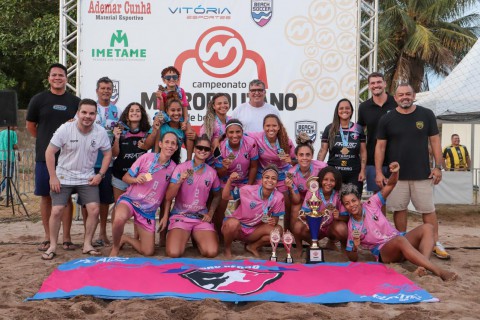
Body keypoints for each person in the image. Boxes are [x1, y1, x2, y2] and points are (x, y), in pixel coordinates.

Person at [341, 162, 457, 281]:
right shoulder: (352, 226)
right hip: (384, 251)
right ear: (344, 207)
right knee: (400, 240)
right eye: (347, 203)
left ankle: (423, 266)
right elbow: (353, 258)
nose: (351, 205)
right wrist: (355, 246)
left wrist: (395, 172)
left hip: (399, 240)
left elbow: (390, 185)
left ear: (359, 200)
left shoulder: (372, 203)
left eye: (353, 201)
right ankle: (439, 271)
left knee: (428, 227)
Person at [375, 83, 450, 259]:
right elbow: (380, 147)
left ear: (414, 95)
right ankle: (404, 241)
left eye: (408, 94)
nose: (404, 97)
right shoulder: (387, 119)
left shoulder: (426, 114)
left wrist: (438, 167)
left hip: (422, 173)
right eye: (401, 95)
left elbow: (435, 142)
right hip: (396, 176)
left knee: (428, 210)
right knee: (399, 209)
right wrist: (379, 172)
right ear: (395, 98)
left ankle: (435, 242)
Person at [41, 99, 112, 260]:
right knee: (57, 210)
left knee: (94, 209)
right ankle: (53, 245)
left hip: (87, 177)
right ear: (78, 113)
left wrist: (100, 174)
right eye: (84, 112)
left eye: (91, 113)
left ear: (96, 115)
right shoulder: (65, 129)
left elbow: (108, 154)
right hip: (63, 176)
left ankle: (87, 244)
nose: (87, 116)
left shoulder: (100, 132)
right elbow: (49, 152)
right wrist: (53, 176)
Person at [26, 63, 80, 252]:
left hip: (68, 158)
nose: (58, 78)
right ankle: (48, 237)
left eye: (61, 75)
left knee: (65, 199)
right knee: (46, 197)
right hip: (44, 156)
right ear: (49, 78)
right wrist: (46, 143)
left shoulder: (75, 102)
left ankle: (66, 238)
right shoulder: (38, 100)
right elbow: (31, 126)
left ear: (67, 78)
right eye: (54, 75)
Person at [110, 132, 178, 257]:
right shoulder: (146, 158)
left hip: (147, 210)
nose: (170, 146)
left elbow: (169, 196)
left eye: (173, 143)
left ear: (176, 148)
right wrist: (135, 179)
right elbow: (126, 177)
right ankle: (115, 247)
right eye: (167, 142)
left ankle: (125, 239)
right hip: (130, 200)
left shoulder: (174, 168)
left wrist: (165, 216)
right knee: (119, 219)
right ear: (160, 144)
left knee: (148, 251)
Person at [160, 134, 221, 258]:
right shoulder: (181, 168)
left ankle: (195, 236)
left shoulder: (211, 172)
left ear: (209, 152)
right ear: (194, 149)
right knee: (174, 253)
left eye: (206, 149)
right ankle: (185, 234)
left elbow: (217, 195)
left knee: (211, 252)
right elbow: (168, 197)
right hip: (181, 216)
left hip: (200, 218)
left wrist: (210, 213)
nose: (202, 151)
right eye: (199, 147)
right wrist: (180, 181)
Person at [82, 76, 119, 247]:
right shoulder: (89, 109)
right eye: (102, 88)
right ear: (97, 90)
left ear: (112, 91)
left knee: (104, 200)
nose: (106, 91)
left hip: (107, 162)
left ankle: (103, 232)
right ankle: (86, 233)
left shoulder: (116, 111)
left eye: (108, 88)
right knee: (85, 200)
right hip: (87, 162)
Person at [221, 165, 285, 258]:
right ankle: (227, 248)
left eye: (273, 178)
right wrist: (230, 180)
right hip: (238, 228)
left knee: (278, 231)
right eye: (267, 177)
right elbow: (225, 197)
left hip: (255, 231)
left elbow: (275, 219)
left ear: (277, 182)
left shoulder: (279, 197)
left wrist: (272, 221)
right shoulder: (247, 189)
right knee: (232, 223)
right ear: (261, 179)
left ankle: (252, 247)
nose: (270, 180)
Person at [248, 114, 296, 231]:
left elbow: (296, 160)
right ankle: (255, 230)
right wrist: (219, 139)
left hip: (281, 176)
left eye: (274, 125)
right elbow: (238, 134)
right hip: (262, 175)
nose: (271, 128)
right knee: (257, 201)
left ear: (279, 127)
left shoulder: (286, 141)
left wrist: (290, 160)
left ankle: (287, 232)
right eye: (268, 126)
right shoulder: (257, 137)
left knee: (287, 203)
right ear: (263, 127)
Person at [213, 119, 259, 235]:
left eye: (238, 132)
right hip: (227, 179)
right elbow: (220, 173)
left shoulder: (250, 143)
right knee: (221, 205)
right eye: (231, 132)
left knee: (247, 207)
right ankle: (220, 235)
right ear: (226, 133)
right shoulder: (220, 148)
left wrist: (248, 186)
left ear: (242, 132)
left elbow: (254, 167)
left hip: (244, 179)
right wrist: (224, 167)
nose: (235, 135)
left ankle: (243, 235)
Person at [291, 167, 348, 258]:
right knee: (297, 226)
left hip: (330, 227)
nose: (328, 183)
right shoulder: (313, 191)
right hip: (314, 227)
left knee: (342, 228)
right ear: (320, 180)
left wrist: (338, 217)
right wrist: (315, 216)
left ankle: (344, 248)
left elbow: (346, 217)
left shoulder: (339, 194)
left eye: (332, 180)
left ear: (337, 182)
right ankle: (301, 247)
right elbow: (304, 214)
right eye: (325, 179)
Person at [357, 72, 397, 193]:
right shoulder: (364, 107)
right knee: (377, 199)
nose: (376, 85)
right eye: (372, 83)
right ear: (369, 86)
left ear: (384, 84)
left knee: (398, 200)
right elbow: (360, 131)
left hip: (396, 157)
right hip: (373, 160)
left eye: (379, 82)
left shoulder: (396, 103)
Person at [317, 98, 366, 195]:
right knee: (333, 203)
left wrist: (363, 171)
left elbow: (363, 152)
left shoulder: (358, 129)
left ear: (351, 111)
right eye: (341, 108)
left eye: (347, 108)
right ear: (337, 111)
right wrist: (317, 170)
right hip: (334, 173)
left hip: (354, 173)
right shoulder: (330, 129)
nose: (344, 110)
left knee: (353, 203)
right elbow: (323, 150)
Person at [111, 102, 151, 206]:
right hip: (120, 175)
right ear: (127, 114)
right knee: (119, 206)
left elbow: (153, 151)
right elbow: (114, 154)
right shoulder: (120, 129)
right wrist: (116, 138)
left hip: (141, 177)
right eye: (131, 111)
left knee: (141, 208)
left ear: (142, 114)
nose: (134, 113)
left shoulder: (147, 130)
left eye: (138, 111)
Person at [155, 66, 195, 159]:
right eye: (168, 77)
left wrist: (185, 121)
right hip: (165, 114)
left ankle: (189, 159)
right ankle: (155, 154)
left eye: (174, 77)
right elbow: (161, 110)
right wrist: (160, 98)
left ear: (178, 78)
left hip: (179, 115)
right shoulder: (161, 92)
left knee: (189, 129)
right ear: (164, 80)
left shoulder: (181, 91)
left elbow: (184, 107)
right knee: (157, 125)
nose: (172, 79)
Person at [0, 126, 20, 198]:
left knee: (5, 177)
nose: (16, 127)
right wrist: (18, 154)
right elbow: (14, 146)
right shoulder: (13, 133)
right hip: (9, 157)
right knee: (8, 177)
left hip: (2, 157)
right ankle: (6, 194)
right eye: (15, 126)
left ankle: (8, 195)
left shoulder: (1, 133)